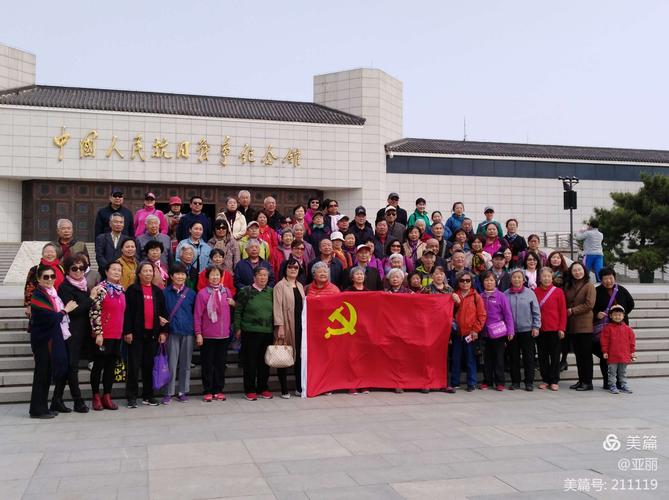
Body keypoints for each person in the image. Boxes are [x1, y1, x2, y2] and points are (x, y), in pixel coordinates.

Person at [54, 254, 102, 413]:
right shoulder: (65, 287)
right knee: (71, 367)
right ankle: (78, 401)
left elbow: (83, 308)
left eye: (82, 268)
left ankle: (57, 400)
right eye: (74, 268)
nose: (78, 271)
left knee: (69, 367)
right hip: (71, 333)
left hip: (83, 332)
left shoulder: (83, 285)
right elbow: (74, 312)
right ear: (67, 270)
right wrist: (90, 298)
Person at [28, 264, 78, 418]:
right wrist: (65, 310)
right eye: (46, 277)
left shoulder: (52, 293)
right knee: (42, 375)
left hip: (52, 338)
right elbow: (50, 317)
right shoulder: (38, 295)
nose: (49, 280)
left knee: (48, 373)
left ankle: (43, 407)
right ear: (38, 279)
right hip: (43, 341)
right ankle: (37, 410)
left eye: (52, 276)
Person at [123, 262, 169, 408]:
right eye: (145, 271)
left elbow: (163, 312)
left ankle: (148, 396)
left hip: (153, 335)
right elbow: (127, 313)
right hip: (136, 335)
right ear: (139, 274)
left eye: (150, 271)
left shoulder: (157, 291)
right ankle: (131, 397)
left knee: (149, 366)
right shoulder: (132, 290)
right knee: (134, 367)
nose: (148, 273)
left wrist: (163, 331)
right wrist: (127, 331)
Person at [195, 266, 235, 402]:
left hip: (223, 335)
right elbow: (197, 315)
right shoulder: (202, 294)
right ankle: (207, 390)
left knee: (220, 364)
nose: (215, 277)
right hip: (208, 335)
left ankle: (218, 389)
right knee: (207, 364)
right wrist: (198, 333)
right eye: (212, 275)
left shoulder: (226, 292)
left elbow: (233, 309)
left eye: (217, 275)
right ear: (207, 277)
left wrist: (233, 303)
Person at [89, 262, 126, 411]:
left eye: (119, 270)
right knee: (98, 366)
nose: (117, 272)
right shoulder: (100, 289)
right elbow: (94, 312)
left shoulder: (121, 290)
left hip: (117, 334)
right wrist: (98, 332)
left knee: (111, 366)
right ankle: (96, 396)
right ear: (106, 271)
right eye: (114, 269)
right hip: (103, 335)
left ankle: (107, 396)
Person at [234, 267, 274, 401]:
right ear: (254, 277)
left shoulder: (271, 292)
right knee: (250, 361)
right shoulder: (245, 291)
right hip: (249, 331)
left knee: (264, 362)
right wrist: (238, 328)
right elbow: (238, 310)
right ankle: (250, 389)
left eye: (265, 276)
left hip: (267, 331)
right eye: (260, 275)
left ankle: (263, 387)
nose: (263, 278)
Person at [593, 267, 635, 389]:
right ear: (601, 279)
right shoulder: (597, 291)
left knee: (619, 355)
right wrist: (597, 313)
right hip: (605, 330)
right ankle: (608, 382)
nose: (608, 281)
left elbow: (631, 303)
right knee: (604, 355)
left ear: (614, 277)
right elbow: (592, 306)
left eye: (610, 278)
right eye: (605, 278)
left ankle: (619, 382)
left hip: (621, 329)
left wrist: (621, 315)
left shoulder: (621, 290)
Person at [162, 263, 196, 404]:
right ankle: (169, 392)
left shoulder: (191, 293)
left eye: (183, 274)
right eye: (177, 274)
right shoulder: (165, 293)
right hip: (172, 332)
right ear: (171, 276)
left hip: (188, 331)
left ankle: (182, 391)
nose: (180, 276)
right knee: (171, 363)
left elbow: (196, 312)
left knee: (186, 363)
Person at [273, 258, 306, 398]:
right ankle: (284, 389)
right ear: (285, 269)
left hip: (300, 326)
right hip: (285, 325)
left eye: (296, 268)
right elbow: (277, 307)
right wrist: (279, 326)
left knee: (299, 356)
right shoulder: (280, 286)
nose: (293, 269)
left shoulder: (299, 285)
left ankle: (299, 387)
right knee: (284, 356)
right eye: (290, 267)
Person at [449, 270, 486, 392]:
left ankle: (472, 383)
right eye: (462, 280)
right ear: (458, 282)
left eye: (468, 280)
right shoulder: (454, 295)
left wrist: (476, 330)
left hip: (470, 333)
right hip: (457, 333)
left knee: (470, 359)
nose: (465, 283)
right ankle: (454, 382)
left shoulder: (476, 296)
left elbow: (481, 315)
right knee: (456, 359)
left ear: (472, 282)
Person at [505, 268, 541, 391]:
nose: (517, 279)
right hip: (512, 332)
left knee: (529, 357)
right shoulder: (505, 294)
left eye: (519, 277)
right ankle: (515, 381)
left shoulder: (530, 293)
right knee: (513, 357)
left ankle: (529, 382)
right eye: (514, 277)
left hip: (527, 330)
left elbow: (536, 311)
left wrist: (536, 326)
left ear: (524, 279)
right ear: (511, 279)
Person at [479, 271, 514, 391]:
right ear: (483, 282)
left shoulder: (501, 296)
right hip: (484, 333)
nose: (489, 282)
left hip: (499, 333)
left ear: (496, 282)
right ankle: (487, 381)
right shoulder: (480, 296)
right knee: (487, 359)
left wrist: (510, 331)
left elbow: (508, 314)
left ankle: (500, 382)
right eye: (486, 280)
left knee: (499, 358)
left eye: (491, 280)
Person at [564, 262, 596, 391]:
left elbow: (589, 305)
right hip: (572, 325)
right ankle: (581, 380)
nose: (577, 272)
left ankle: (588, 382)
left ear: (584, 271)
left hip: (585, 325)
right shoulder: (569, 285)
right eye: (575, 270)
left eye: (580, 270)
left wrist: (572, 311)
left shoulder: (589, 286)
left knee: (586, 355)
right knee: (578, 355)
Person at [534, 268, 567, 391]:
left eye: (548, 276)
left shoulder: (558, 291)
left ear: (552, 277)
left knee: (554, 356)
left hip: (555, 329)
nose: (546, 278)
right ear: (540, 278)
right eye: (544, 276)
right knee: (542, 356)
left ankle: (554, 380)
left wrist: (562, 328)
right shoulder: (535, 291)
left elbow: (563, 311)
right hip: (541, 329)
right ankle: (545, 379)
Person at [601, 304, 636, 394]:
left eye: (620, 315)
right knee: (612, 372)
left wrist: (632, 352)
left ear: (623, 316)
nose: (617, 317)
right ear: (610, 316)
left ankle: (623, 384)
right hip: (613, 355)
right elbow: (604, 341)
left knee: (622, 372)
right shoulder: (608, 328)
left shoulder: (628, 329)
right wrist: (605, 351)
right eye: (615, 315)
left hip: (624, 355)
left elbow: (632, 342)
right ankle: (612, 385)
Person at [24, 243, 65, 317]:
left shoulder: (61, 268)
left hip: (59, 302)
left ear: (56, 254)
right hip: (41, 302)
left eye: (52, 252)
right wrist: (29, 305)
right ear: (42, 254)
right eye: (46, 252)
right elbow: (29, 287)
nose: (49, 254)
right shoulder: (35, 269)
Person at [95, 212, 128, 278]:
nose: (118, 224)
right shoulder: (101, 238)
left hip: (123, 274)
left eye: (121, 222)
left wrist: (119, 270)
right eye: (116, 222)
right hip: (105, 273)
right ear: (110, 223)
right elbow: (99, 256)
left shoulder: (127, 239)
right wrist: (110, 269)